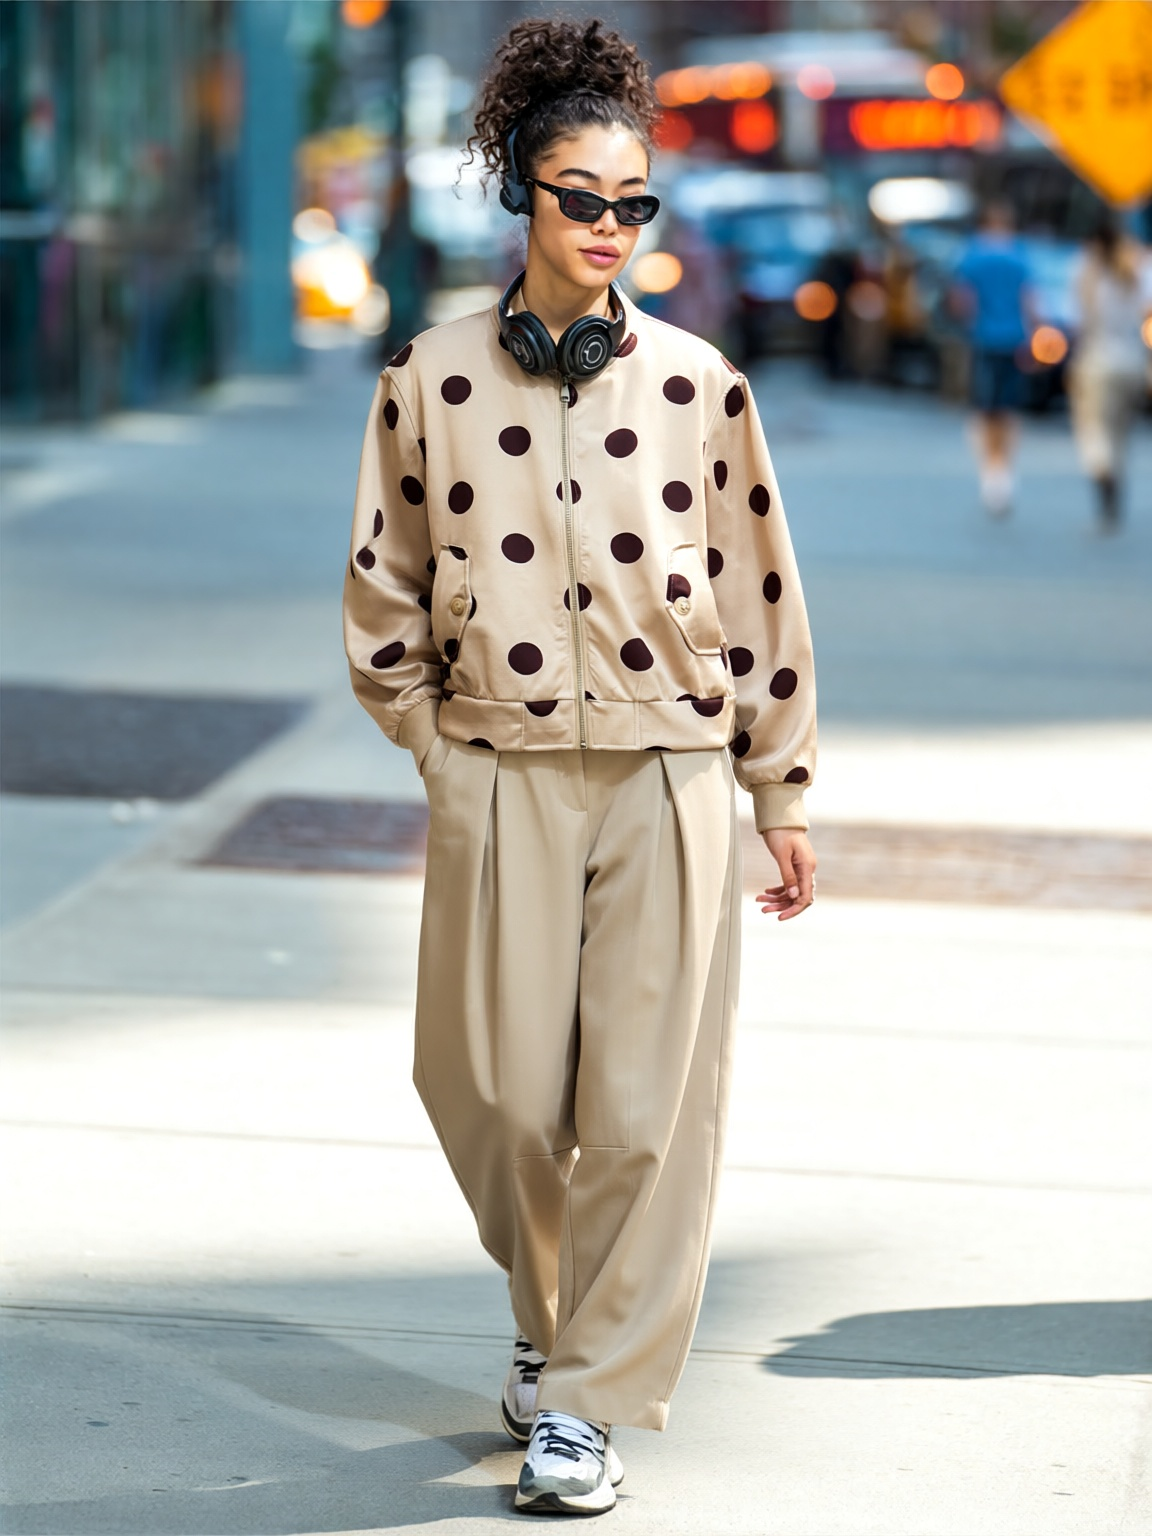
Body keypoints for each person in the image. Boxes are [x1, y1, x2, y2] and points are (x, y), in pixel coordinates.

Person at [343, 16, 816, 1518]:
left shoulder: (698, 382)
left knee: (641, 1102)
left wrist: (779, 790)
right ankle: (557, 1323)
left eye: (634, 204)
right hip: (501, 769)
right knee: (481, 1086)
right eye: (581, 198)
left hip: (672, 772)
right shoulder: (430, 378)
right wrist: (437, 749)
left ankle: (589, 1396)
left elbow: (761, 594)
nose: (611, 228)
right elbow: (383, 587)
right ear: (520, 198)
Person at [1068, 212, 1151, 530]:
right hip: (1131, 360)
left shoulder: (1086, 273)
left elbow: (1076, 323)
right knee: (1120, 430)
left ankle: (1103, 474)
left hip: (1096, 360)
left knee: (1094, 430)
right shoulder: (1138, 270)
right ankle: (1115, 478)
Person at [952, 200, 1033, 517]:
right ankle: (1005, 473)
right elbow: (1030, 299)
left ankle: (991, 474)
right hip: (1014, 339)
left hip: (984, 339)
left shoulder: (972, 255)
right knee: (1009, 410)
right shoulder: (1019, 253)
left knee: (984, 410)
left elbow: (962, 301)